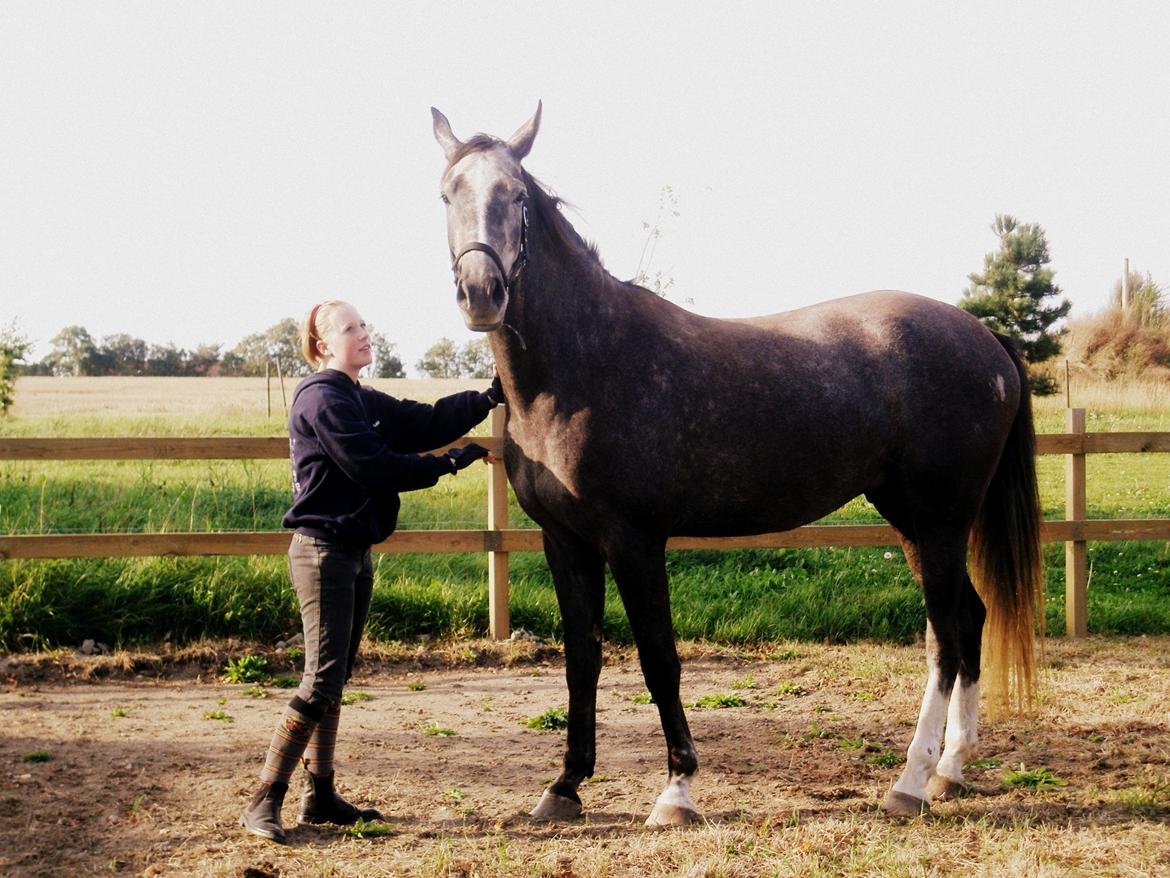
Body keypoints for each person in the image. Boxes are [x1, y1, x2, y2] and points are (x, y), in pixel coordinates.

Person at [240, 299, 503, 843]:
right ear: (322, 345)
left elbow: (422, 421)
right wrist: (449, 462)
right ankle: (264, 799)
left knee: (334, 680)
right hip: (323, 552)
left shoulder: (357, 397)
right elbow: (374, 466)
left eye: (364, 325)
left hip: (352, 550)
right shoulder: (323, 400)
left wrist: (488, 397)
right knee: (320, 681)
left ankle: (322, 796)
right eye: (351, 328)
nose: (364, 333)